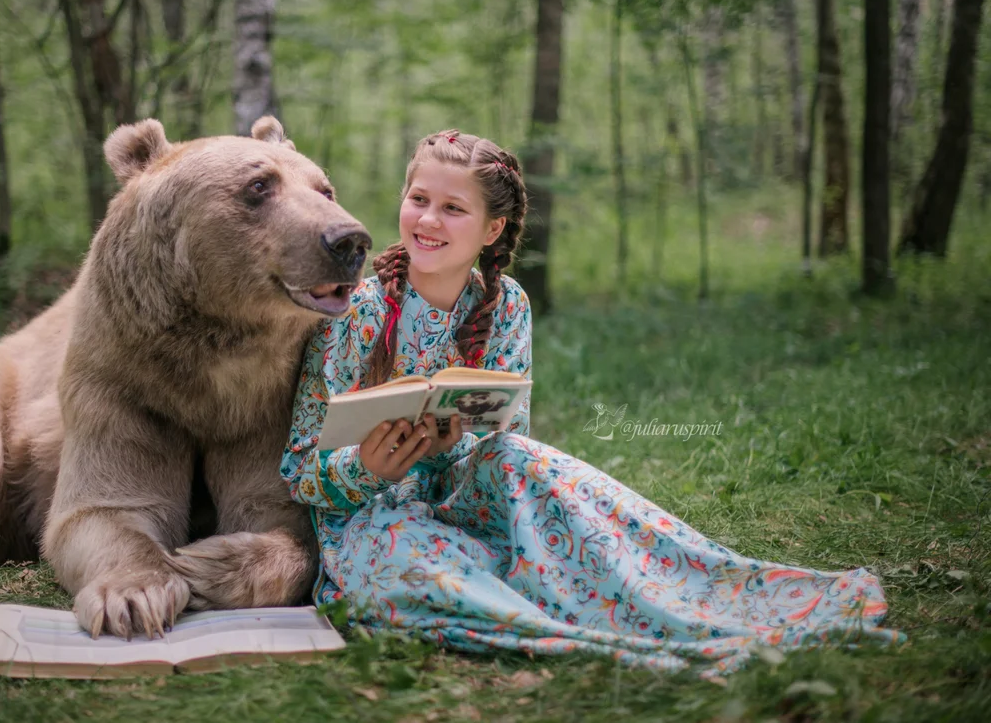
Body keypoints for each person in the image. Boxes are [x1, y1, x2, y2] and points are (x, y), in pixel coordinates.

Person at [279, 130, 901, 679]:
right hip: (373, 517)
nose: (429, 221)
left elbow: (502, 435)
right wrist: (366, 467)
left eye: (452, 208)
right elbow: (299, 467)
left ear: (491, 229)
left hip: (469, 495)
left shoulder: (508, 306)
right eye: (419, 200)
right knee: (411, 570)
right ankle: (563, 622)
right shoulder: (354, 309)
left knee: (528, 460)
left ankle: (689, 589)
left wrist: (452, 441)